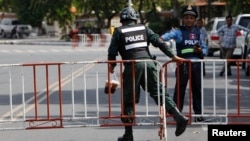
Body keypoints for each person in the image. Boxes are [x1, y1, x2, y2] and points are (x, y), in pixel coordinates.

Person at [107, 6, 189, 141]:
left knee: (129, 100)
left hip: (132, 66)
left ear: (122, 20)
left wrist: (112, 66)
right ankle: (178, 116)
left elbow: (112, 52)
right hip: (149, 64)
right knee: (159, 92)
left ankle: (129, 134)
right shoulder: (143, 28)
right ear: (135, 18)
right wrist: (172, 56)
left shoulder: (119, 31)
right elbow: (159, 41)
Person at [161, 5, 207, 122]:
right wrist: (159, 39)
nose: (189, 20)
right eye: (187, 17)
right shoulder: (178, 32)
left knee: (197, 89)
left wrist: (201, 51)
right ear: (183, 19)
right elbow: (165, 37)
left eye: (192, 18)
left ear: (195, 19)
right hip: (183, 65)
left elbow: (205, 49)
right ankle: (177, 114)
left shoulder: (199, 33)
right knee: (180, 89)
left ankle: (198, 114)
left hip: (196, 65)